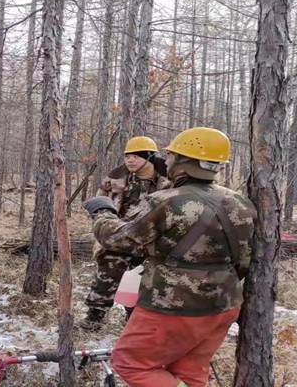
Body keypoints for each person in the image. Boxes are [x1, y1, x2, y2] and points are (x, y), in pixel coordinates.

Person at [84, 127, 256, 387]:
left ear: (184, 163)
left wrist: (103, 213)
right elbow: (244, 261)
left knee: (130, 363)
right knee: (190, 371)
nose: (167, 161)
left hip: (172, 305)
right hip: (223, 304)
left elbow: (118, 239)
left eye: (172, 156)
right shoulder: (241, 202)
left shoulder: (165, 200)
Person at [80, 136, 171, 330]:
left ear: (150, 157)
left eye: (136, 156)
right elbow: (100, 203)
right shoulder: (115, 179)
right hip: (120, 236)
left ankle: (134, 316)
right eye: (127, 156)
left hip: (152, 239)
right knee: (109, 266)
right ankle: (95, 316)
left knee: (146, 277)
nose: (130, 160)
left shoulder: (169, 181)